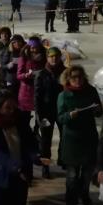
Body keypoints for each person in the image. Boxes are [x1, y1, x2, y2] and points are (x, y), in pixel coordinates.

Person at [57, 65, 102, 205]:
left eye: (80, 77)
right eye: (74, 77)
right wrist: (69, 116)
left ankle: (84, 194)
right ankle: (71, 201)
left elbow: (98, 110)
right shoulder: (64, 95)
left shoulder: (90, 91)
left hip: (88, 138)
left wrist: (97, 109)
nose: (77, 80)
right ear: (68, 79)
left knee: (87, 173)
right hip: (72, 141)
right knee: (72, 175)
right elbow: (60, 118)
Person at [33, 47, 65, 179]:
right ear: (47, 58)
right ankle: (45, 166)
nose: (54, 59)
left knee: (65, 137)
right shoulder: (41, 74)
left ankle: (63, 160)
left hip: (62, 110)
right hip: (46, 112)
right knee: (46, 141)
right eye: (51, 56)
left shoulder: (65, 73)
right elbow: (37, 96)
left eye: (56, 56)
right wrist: (39, 116)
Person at [16, 37, 45, 122]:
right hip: (26, 91)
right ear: (28, 47)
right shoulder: (24, 58)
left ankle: (37, 131)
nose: (34, 50)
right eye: (32, 48)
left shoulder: (44, 57)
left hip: (40, 89)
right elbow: (18, 75)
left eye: (36, 47)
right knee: (25, 118)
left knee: (40, 115)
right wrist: (26, 75)